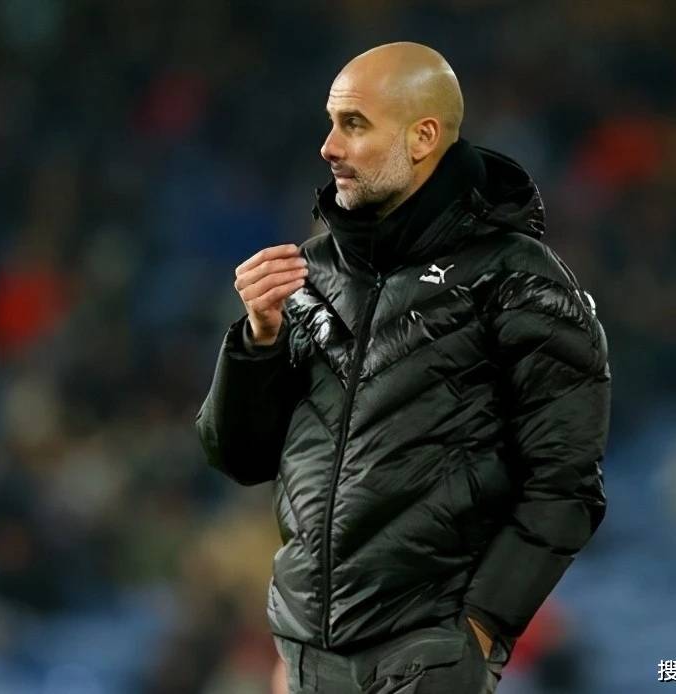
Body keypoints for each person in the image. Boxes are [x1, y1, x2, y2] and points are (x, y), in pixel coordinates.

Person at [195, 41, 611, 694]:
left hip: (428, 653)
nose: (329, 146)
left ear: (423, 137)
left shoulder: (516, 279)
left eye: (354, 124)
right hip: (307, 655)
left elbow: (566, 486)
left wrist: (478, 629)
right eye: (331, 123)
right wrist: (259, 340)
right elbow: (240, 458)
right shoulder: (311, 274)